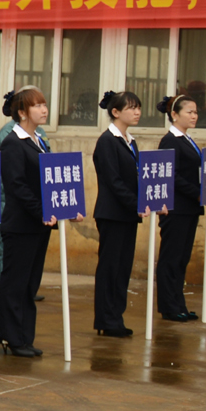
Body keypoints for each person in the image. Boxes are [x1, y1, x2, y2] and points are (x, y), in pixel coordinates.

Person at [0, 86, 54, 357]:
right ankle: (11, 337)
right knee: (15, 283)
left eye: (44, 104)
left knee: (30, 284)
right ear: (22, 112)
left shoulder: (38, 140)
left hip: (39, 224)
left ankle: (25, 337)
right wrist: (41, 211)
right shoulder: (12, 143)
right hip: (21, 224)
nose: (44, 110)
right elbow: (16, 185)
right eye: (37, 105)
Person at [92, 89, 144, 337]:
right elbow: (113, 181)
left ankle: (116, 317)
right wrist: (136, 203)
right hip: (112, 214)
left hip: (128, 214)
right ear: (115, 112)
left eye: (138, 107)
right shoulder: (107, 141)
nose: (137, 112)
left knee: (123, 268)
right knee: (110, 268)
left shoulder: (130, 141)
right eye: (131, 108)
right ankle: (106, 319)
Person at [154, 93, 204, 322]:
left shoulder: (187, 139)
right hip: (175, 208)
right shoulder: (170, 141)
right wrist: (197, 192)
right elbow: (171, 175)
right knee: (171, 258)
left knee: (182, 258)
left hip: (190, 207)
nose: (194, 116)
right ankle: (169, 307)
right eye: (189, 112)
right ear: (174, 114)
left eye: (196, 112)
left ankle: (179, 304)